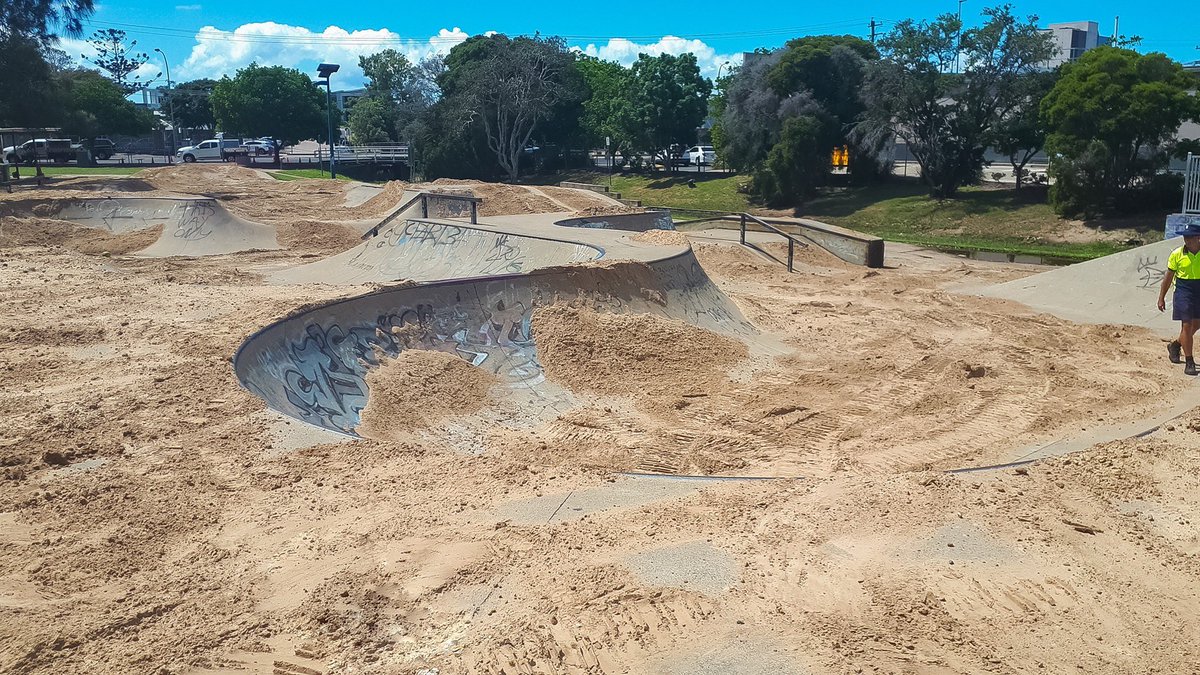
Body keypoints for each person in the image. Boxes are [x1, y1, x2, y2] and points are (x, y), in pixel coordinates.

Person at [1157, 224, 1200, 375]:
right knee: (1187, 326)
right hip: (1183, 290)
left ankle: (1175, 345)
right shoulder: (1177, 254)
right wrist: (1161, 297)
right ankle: (1189, 361)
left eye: (1189, 237)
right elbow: (1168, 278)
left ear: (1198, 238)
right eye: (1185, 237)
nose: (1186, 240)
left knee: (1196, 325)